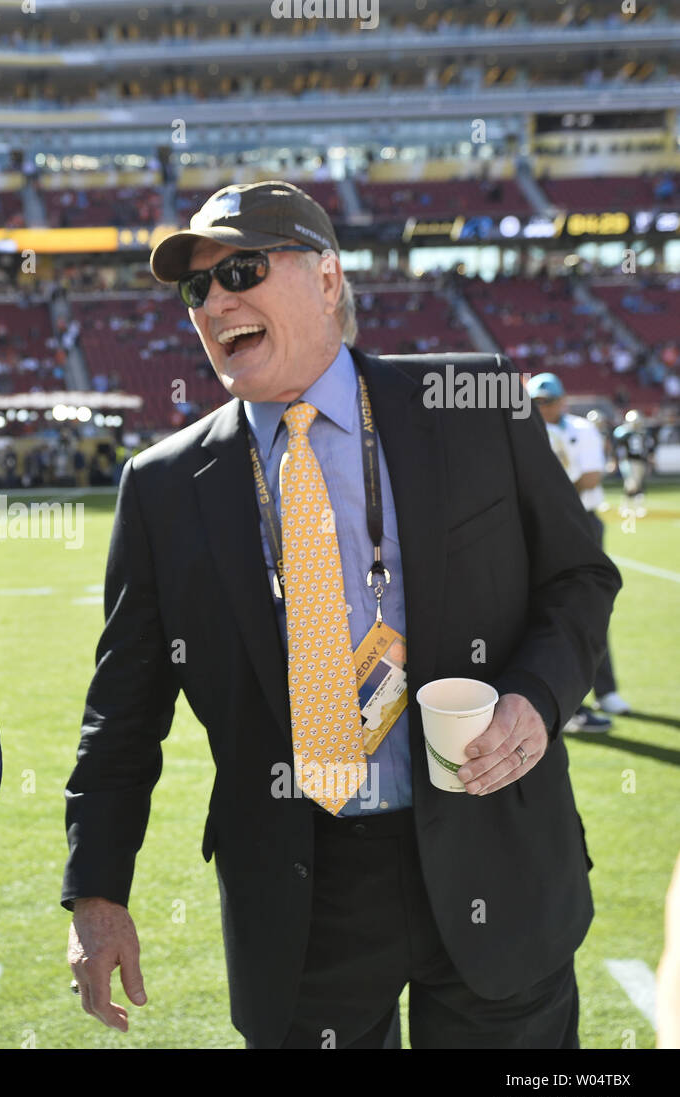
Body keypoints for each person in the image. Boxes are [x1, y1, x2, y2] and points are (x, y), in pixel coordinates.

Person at [61, 180, 620, 1048]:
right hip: (302, 896)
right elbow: (123, 714)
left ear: (327, 280)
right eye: (195, 288)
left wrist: (537, 701)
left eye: (241, 269)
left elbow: (579, 578)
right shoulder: (164, 487)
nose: (215, 301)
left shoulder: (472, 402)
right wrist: (97, 895)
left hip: (494, 852)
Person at [529, 373, 629, 724]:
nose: (542, 408)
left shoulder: (581, 430)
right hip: (540, 522)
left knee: (588, 608)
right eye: (536, 402)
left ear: (562, 400)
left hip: (579, 521)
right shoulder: (522, 428)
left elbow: (590, 477)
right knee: (546, 609)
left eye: (547, 401)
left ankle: (603, 691)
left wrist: (548, 492)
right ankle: (568, 702)